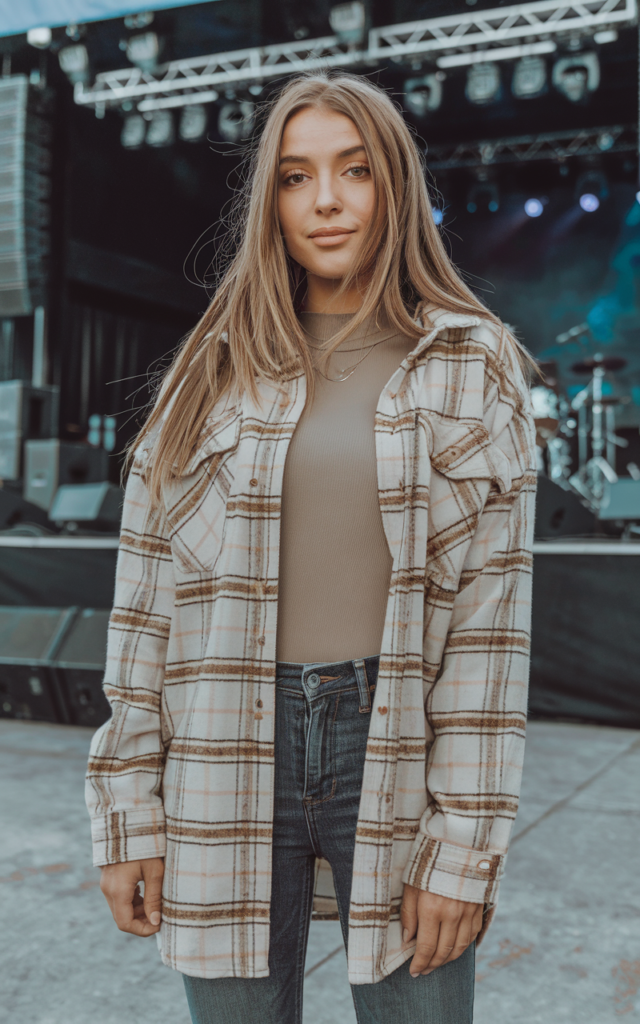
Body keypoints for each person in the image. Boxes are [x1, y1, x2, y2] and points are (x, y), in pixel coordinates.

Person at [87, 73, 536, 1024]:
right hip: (221, 742)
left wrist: (465, 845)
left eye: (355, 170)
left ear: (396, 186)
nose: (325, 200)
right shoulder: (211, 369)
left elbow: (489, 635)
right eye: (295, 177)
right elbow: (145, 607)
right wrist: (127, 809)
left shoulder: (473, 360)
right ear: (271, 203)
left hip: (395, 734)